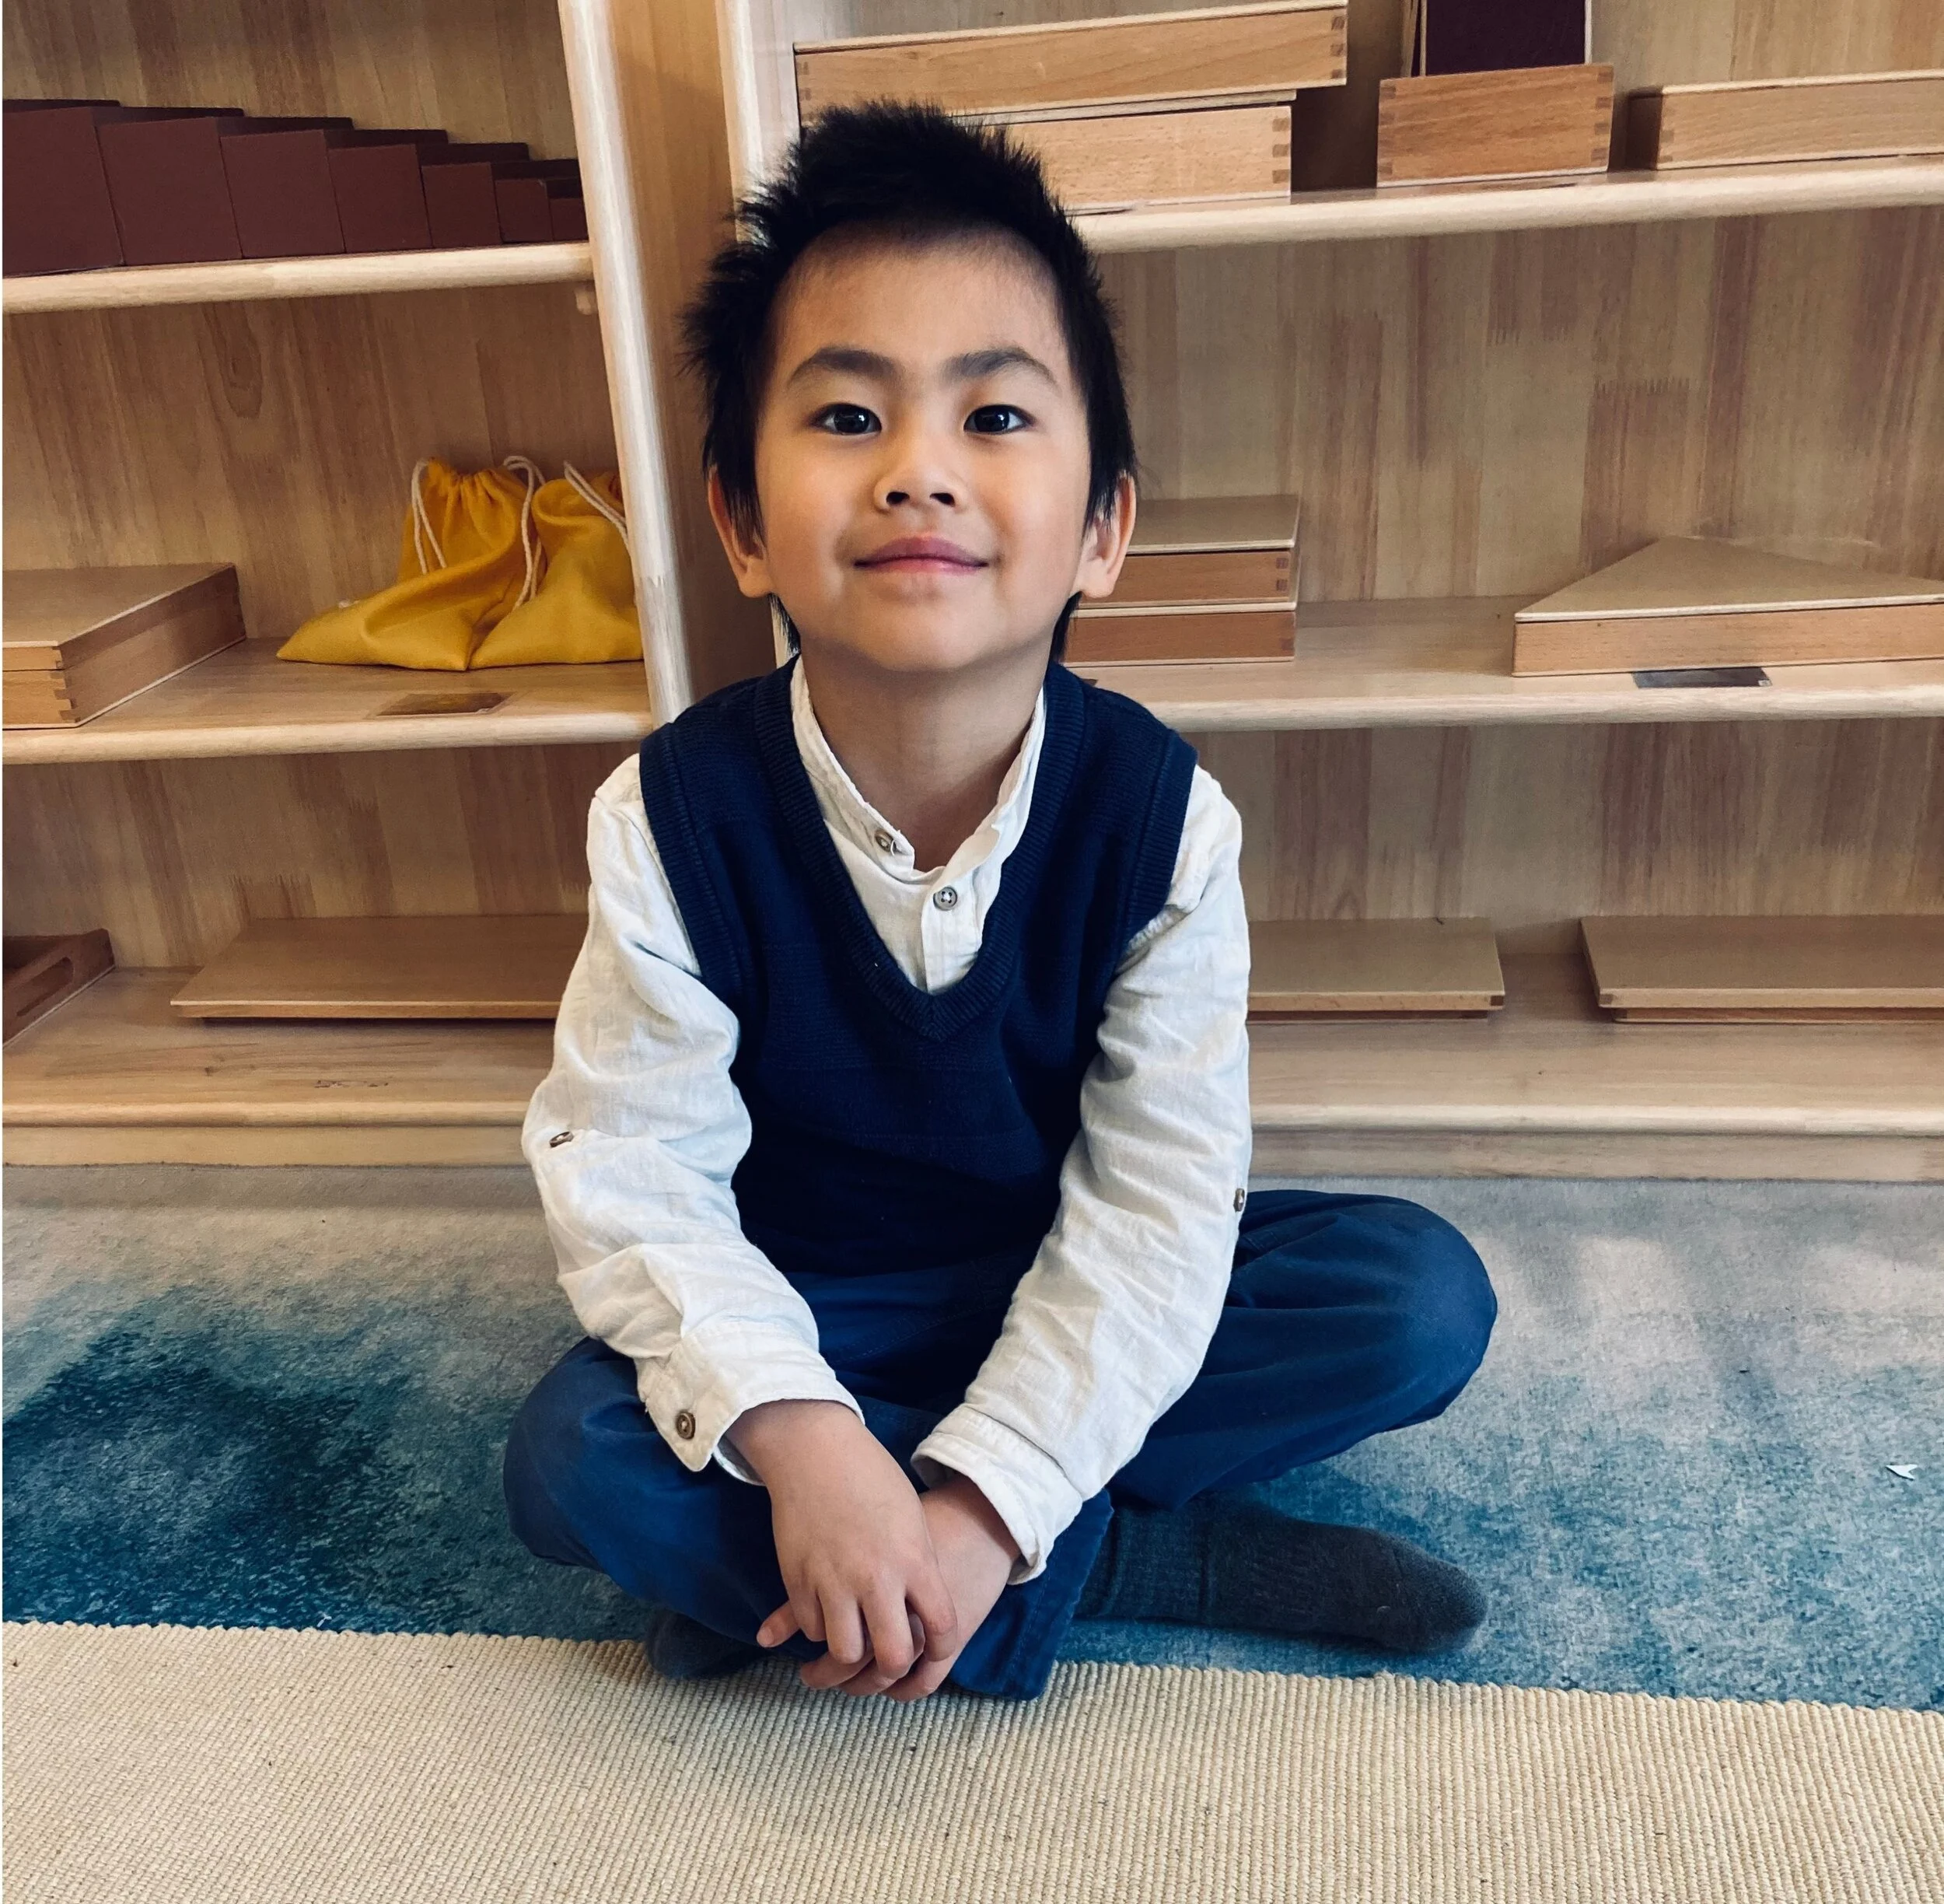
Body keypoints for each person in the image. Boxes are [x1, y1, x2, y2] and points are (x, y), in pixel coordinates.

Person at [504, 102, 1496, 1705]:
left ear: (1102, 528)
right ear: (741, 523)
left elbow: (1156, 1211)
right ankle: (1144, 1563)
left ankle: (891, 1574)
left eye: (994, 415)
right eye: (846, 416)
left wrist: (981, 1504)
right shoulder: (672, 818)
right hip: (813, 1306)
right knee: (568, 1460)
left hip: (1061, 1263)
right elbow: (633, 1171)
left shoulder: (1162, 824)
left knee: (1410, 1299)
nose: (917, 473)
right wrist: (805, 1441)